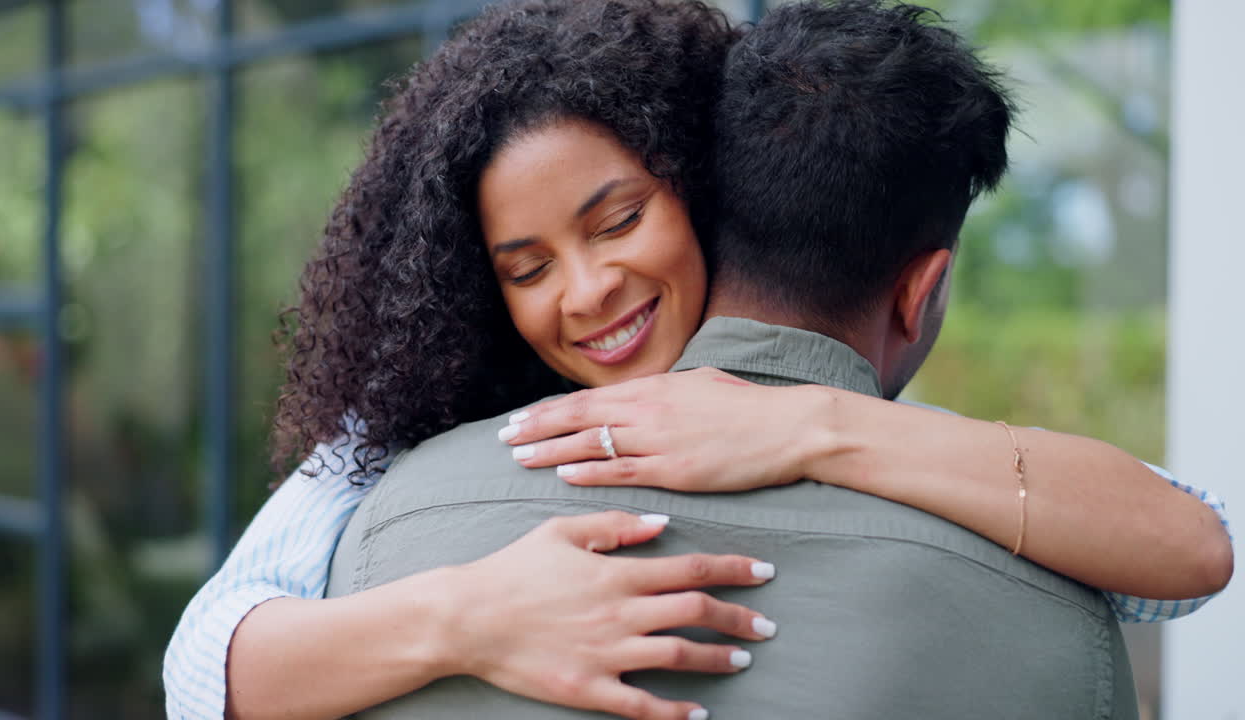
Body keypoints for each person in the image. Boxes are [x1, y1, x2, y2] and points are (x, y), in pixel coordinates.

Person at [162, 1, 1232, 719]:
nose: (586, 292)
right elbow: (200, 659)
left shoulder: (855, 417)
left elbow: (1188, 544)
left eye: (617, 219)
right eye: (525, 267)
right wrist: (464, 618)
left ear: (706, 196)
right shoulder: (401, 449)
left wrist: (817, 424)